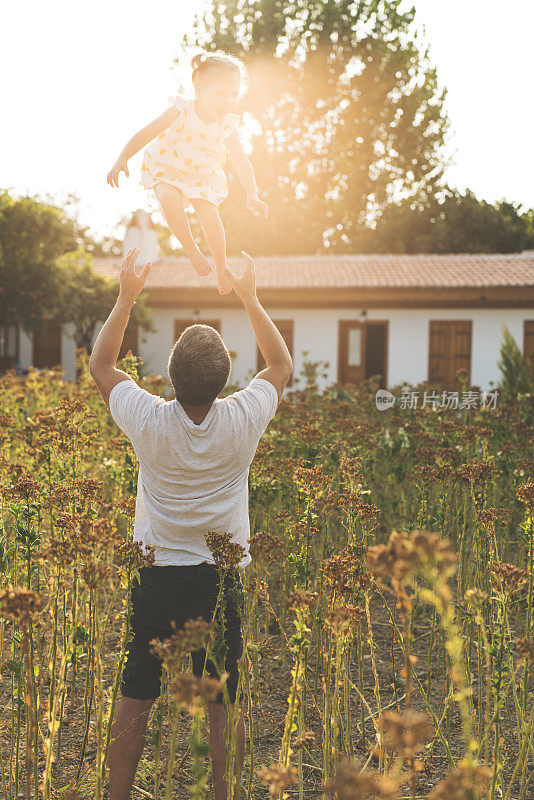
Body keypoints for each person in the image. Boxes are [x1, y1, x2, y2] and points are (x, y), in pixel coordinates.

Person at [89, 247, 292, 800]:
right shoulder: (243, 416)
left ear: (169, 377)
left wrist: (128, 294)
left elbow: (102, 365)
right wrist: (249, 295)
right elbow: (279, 366)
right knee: (223, 701)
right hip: (219, 579)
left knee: (136, 695)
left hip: (156, 576)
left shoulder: (149, 417)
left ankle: (117, 796)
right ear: (226, 376)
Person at [106, 51, 268, 296]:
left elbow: (241, 159)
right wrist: (123, 157)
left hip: (201, 173)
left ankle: (221, 265)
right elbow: (147, 132)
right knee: (168, 198)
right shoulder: (180, 110)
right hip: (167, 164)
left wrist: (252, 193)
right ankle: (192, 251)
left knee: (209, 213)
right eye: (220, 93)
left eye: (233, 95)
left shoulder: (227, 126)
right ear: (199, 90)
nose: (227, 101)